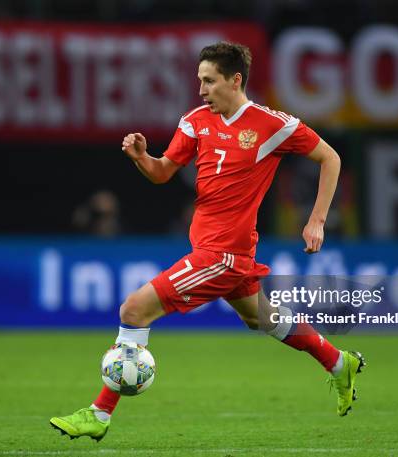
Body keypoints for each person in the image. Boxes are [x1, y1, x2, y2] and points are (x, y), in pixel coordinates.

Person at [50, 41, 365, 442]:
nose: (201, 90)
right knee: (260, 318)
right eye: (199, 80)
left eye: (209, 81)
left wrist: (316, 220)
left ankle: (99, 413)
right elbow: (163, 172)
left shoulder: (273, 125)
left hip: (225, 254)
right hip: (210, 248)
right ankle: (339, 363)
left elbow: (331, 158)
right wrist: (141, 158)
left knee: (133, 310)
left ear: (235, 80)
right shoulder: (196, 121)